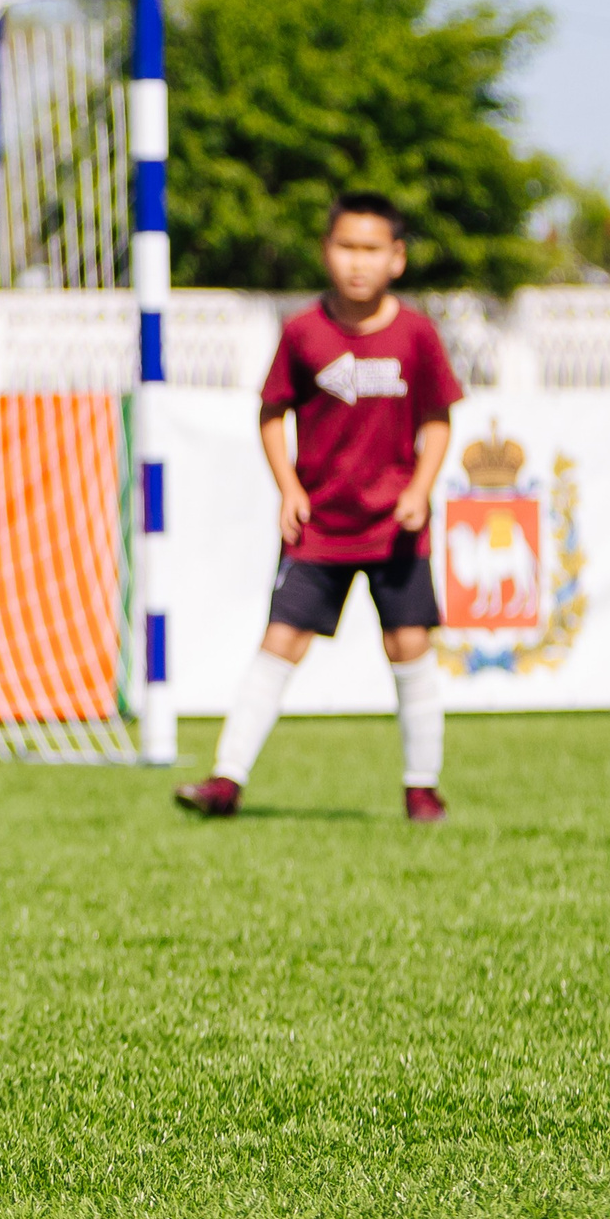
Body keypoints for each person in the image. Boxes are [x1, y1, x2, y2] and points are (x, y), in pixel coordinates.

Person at [176, 191, 462, 824]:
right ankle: (226, 780)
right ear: (326, 251)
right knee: (280, 640)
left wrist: (419, 488)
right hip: (320, 525)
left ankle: (422, 788)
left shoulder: (417, 334)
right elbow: (271, 413)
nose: (358, 261)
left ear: (397, 258)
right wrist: (289, 487)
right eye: (346, 246)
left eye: (371, 249)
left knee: (409, 644)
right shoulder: (303, 332)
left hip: (394, 527)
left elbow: (438, 420)